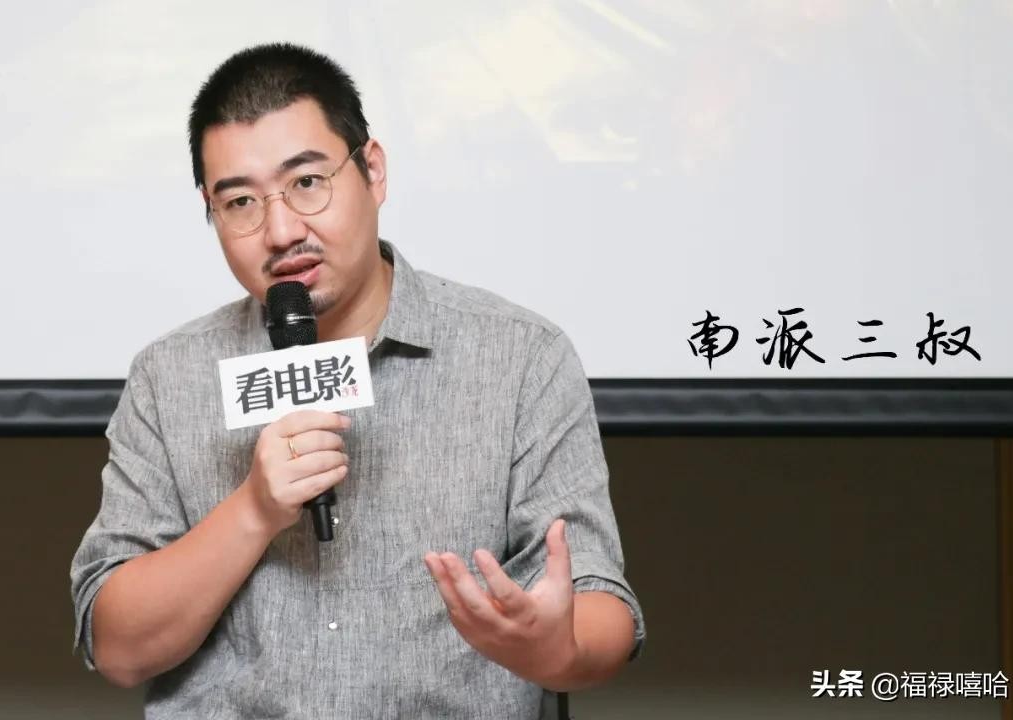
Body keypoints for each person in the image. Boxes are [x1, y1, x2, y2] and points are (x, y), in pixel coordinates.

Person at [70, 42, 645, 719]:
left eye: (308, 182)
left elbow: (602, 606)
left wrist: (557, 649)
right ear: (210, 210)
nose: (281, 231)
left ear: (372, 171)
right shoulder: (170, 376)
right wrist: (252, 511)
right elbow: (118, 648)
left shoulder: (521, 355)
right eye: (241, 201)